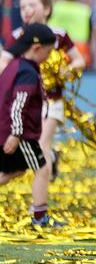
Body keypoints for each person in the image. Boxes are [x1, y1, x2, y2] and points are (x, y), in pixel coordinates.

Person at [0, 0, 86, 182]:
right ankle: (51, 161)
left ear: (47, 9)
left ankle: (39, 206)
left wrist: (68, 70)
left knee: (41, 145)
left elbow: (79, 61)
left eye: (32, 5)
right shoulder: (17, 37)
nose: (26, 10)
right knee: (32, 151)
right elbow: (4, 62)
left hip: (52, 99)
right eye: (22, 7)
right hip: (28, 103)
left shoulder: (58, 35)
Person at [0, 22, 63, 227]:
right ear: (37, 48)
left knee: (13, 171)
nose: (49, 57)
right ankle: (40, 217)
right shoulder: (27, 72)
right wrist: (16, 133)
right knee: (42, 169)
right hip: (21, 133)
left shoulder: (15, 66)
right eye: (48, 52)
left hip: (12, 130)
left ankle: (39, 216)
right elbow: (19, 104)